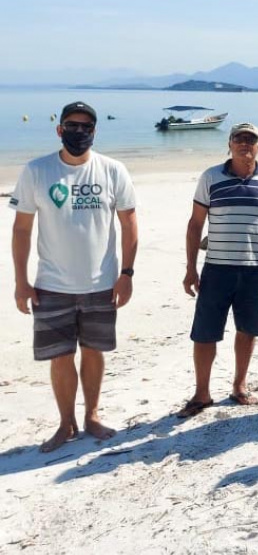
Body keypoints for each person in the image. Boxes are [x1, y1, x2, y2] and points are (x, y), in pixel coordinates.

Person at [10, 101, 138, 452]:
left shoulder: (113, 170)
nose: (78, 132)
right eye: (71, 125)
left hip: (102, 282)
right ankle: (65, 423)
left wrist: (126, 273)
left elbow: (129, 224)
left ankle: (92, 415)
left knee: (94, 351)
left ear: (94, 132)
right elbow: (22, 229)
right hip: (51, 284)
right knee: (60, 356)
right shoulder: (38, 170)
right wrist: (20, 281)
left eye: (85, 127)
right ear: (59, 129)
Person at [179, 122, 258, 418]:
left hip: (256, 269)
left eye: (251, 139)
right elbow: (195, 224)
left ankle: (239, 386)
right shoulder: (211, 177)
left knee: (248, 329)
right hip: (216, 268)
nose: (245, 144)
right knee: (204, 334)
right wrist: (190, 268)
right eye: (239, 139)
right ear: (229, 144)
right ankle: (201, 393)